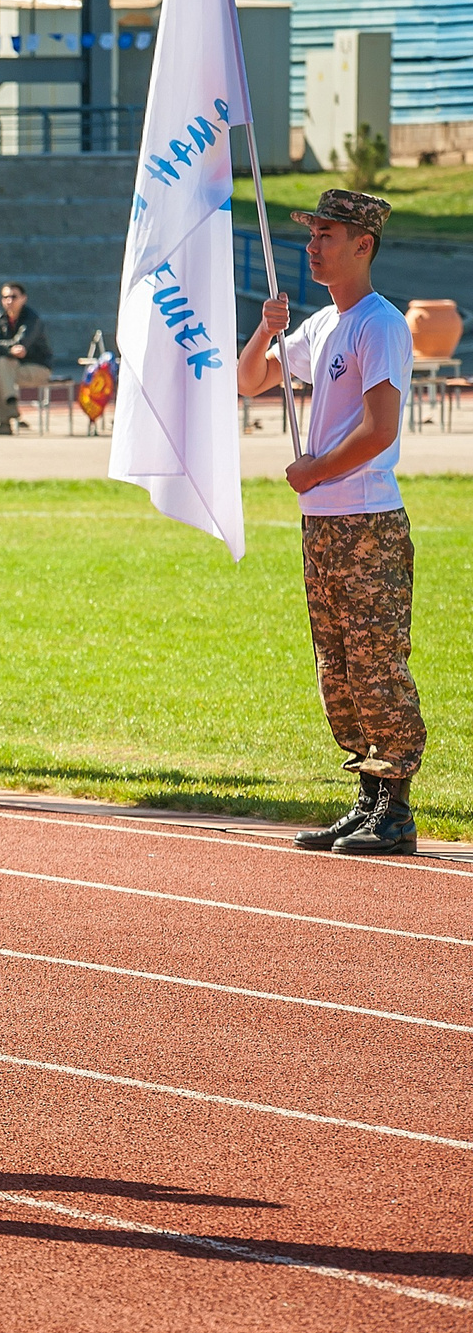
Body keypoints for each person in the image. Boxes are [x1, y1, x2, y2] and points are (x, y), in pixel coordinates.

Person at [237, 189, 425, 856]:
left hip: (364, 516)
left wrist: (315, 470)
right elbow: (248, 379)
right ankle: (367, 796)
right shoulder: (322, 325)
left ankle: (395, 807)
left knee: (375, 661)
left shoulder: (379, 324)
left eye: (326, 234)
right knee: (339, 667)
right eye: (313, 232)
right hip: (324, 520)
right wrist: (266, 328)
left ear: (362, 245)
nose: (313, 244)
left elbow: (379, 429)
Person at [0, 282, 50, 435]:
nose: (9, 301)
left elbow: (22, 344)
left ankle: (5, 420)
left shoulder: (32, 318)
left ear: (23, 298)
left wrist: (6, 349)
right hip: (11, 369)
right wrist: (10, 350)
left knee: (2, 372)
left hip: (37, 367)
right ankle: (10, 409)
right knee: (3, 367)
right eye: (5, 297)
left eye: (13, 297)